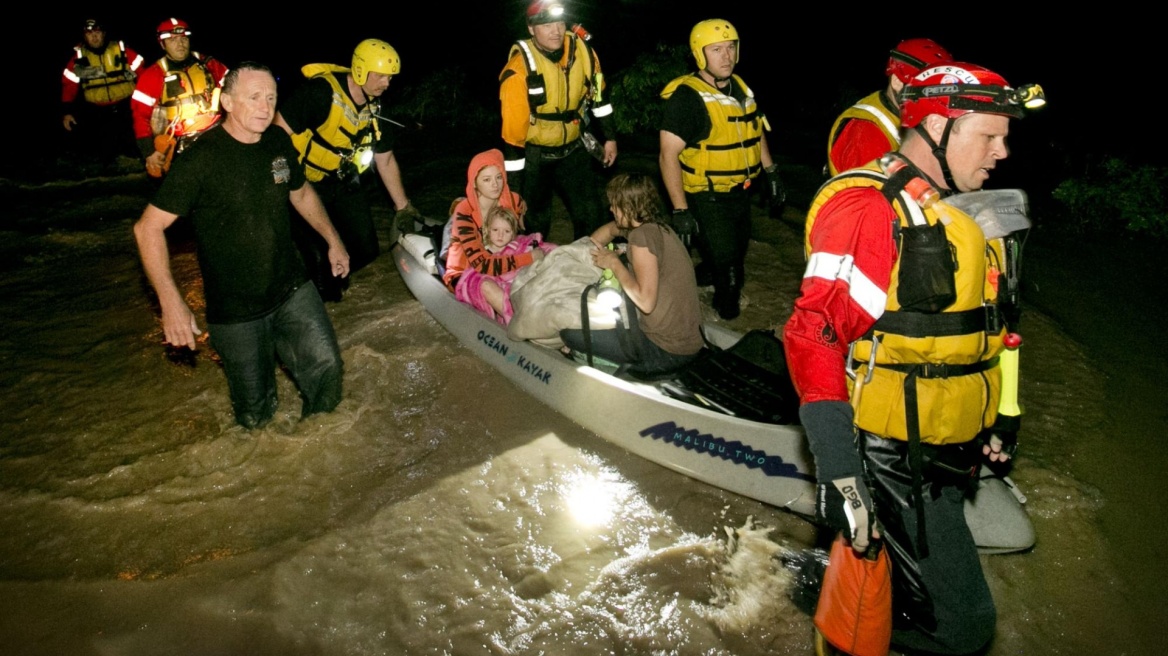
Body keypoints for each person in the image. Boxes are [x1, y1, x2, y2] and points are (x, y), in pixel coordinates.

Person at [784, 62, 1042, 654]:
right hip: (892, 453)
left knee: (919, 591)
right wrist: (841, 472)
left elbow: (994, 332)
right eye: (990, 135)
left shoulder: (961, 210)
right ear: (935, 127)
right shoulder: (869, 209)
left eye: (1007, 138)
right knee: (965, 628)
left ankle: (864, 604)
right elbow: (812, 333)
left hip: (949, 443)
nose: (1003, 152)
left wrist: (1002, 414)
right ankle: (847, 625)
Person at [133, 62, 350, 430]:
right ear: (227, 101)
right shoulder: (200, 160)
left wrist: (334, 240)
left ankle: (323, 458)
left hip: (290, 287)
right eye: (254, 98)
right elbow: (147, 229)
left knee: (328, 371)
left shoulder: (279, 142)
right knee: (256, 416)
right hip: (234, 311)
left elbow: (300, 193)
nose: (265, 107)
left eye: (271, 98)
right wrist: (170, 302)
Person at [274, 38, 422, 301]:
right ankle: (325, 305)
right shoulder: (319, 93)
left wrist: (404, 208)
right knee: (320, 259)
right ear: (361, 70)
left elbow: (385, 159)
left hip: (342, 182)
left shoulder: (376, 105)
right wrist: (284, 181)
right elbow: (276, 134)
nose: (387, 84)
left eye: (390, 78)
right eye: (381, 76)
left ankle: (352, 305)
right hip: (303, 186)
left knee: (367, 251)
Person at [659, 18, 784, 321]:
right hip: (706, 195)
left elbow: (755, 130)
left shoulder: (740, 87)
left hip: (740, 193)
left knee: (734, 251)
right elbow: (667, 155)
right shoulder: (687, 98)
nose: (726, 56)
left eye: (730, 48)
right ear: (700, 54)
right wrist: (680, 210)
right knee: (731, 267)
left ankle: (703, 275)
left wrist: (771, 172)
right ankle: (726, 314)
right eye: (716, 50)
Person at [559, 172, 703, 377]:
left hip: (664, 351)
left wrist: (615, 263)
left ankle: (601, 365)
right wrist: (581, 250)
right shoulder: (660, 228)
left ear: (629, 207)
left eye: (614, 205)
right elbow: (611, 230)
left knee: (568, 335)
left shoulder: (641, 238)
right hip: (691, 343)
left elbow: (645, 302)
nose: (610, 209)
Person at [499, 0, 616, 241]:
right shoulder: (518, 71)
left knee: (592, 214)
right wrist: (515, 193)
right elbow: (513, 140)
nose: (556, 31)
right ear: (531, 29)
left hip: (574, 148)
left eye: (560, 23)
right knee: (534, 221)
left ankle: (592, 266)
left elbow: (599, 97)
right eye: (546, 25)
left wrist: (610, 138)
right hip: (536, 156)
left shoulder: (584, 51)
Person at [825, 38, 952, 177]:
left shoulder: (909, 117)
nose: (934, 101)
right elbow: (874, 193)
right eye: (925, 90)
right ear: (897, 81)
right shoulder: (866, 132)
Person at [445, 149, 543, 320]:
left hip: (501, 255)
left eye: (499, 177)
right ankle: (520, 323)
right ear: (475, 183)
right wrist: (528, 258)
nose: (495, 185)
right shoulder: (464, 212)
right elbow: (482, 265)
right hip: (468, 270)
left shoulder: (512, 200)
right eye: (487, 179)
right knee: (488, 285)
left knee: (549, 252)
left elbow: (522, 214)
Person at [131, 18, 229, 177]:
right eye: (172, 40)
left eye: (184, 38)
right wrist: (149, 152)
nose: (180, 44)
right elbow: (140, 116)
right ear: (163, 44)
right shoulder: (153, 75)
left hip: (215, 132)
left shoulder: (208, 64)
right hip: (179, 141)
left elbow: (236, 88)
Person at [455, 205, 555, 324]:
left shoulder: (520, 246)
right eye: (495, 230)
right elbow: (474, 274)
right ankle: (520, 323)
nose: (500, 235)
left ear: (513, 232)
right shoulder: (481, 254)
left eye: (506, 231)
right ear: (487, 229)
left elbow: (547, 250)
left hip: (525, 289)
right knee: (485, 285)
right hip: (506, 296)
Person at [60, 18, 143, 160]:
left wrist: (150, 104)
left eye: (97, 32)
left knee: (135, 149)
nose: (94, 36)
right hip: (97, 112)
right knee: (105, 153)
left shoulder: (122, 50)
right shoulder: (78, 58)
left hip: (127, 108)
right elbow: (69, 86)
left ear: (104, 33)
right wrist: (67, 112)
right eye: (89, 33)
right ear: (84, 36)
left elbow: (145, 77)